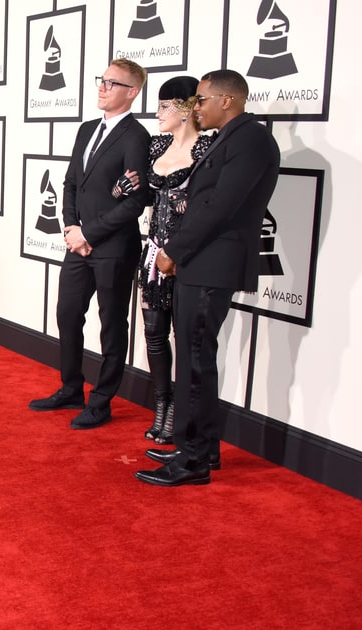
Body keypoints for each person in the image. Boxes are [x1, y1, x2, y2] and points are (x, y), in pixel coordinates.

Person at [135, 69, 281, 486]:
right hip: (201, 262)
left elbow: (220, 206)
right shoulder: (231, 139)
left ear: (227, 101)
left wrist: (173, 251)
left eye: (200, 100)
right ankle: (203, 449)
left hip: (209, 263)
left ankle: (191, 460)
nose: (194, 108)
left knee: (196, 363)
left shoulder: (251, 139)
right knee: (196, 360)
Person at [28, 58, 151, 429]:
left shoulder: (136, 137)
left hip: (114, 247)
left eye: (112, 83)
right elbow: (70, 183)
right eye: (102, 80)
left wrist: (89, 233)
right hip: (77, 243)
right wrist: (70, 226)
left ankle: (101, 401)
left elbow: (135, 201)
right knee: (68, 314)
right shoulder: (86, 130)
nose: (102, 87)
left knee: (112, 324)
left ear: (132, 92)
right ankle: (70, 388)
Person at [115, 75, 215, 445]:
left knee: (188, 338)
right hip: (153, 254)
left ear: (186, 108)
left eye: (163, 107)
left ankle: (180, 413)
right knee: (154, 334)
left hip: (190, 257)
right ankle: (162, 405)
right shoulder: (156, 146)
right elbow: (135, 188)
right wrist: (121, 188)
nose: (157, 114)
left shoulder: (209, 147)